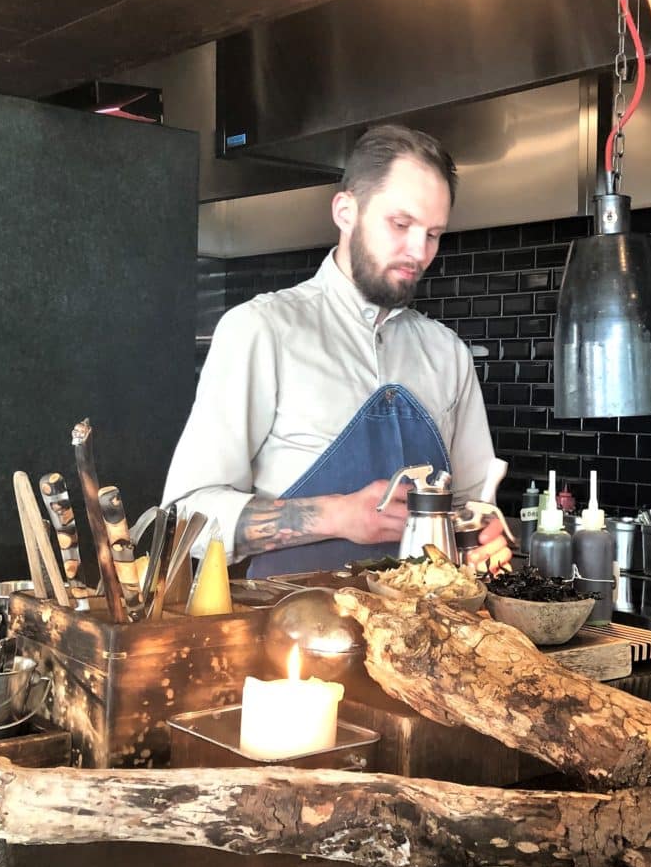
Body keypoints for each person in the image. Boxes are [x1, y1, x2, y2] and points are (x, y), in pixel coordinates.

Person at [163, 125, 512, 578]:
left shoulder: (448, 355)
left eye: (433, 234)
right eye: (401, 224)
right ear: (346, 210)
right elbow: (185, 518)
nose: (418, 252)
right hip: (284, 637)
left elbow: (471, 508)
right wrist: (340, 516)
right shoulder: (262, 330)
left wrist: (481, 537)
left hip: (422, 641)